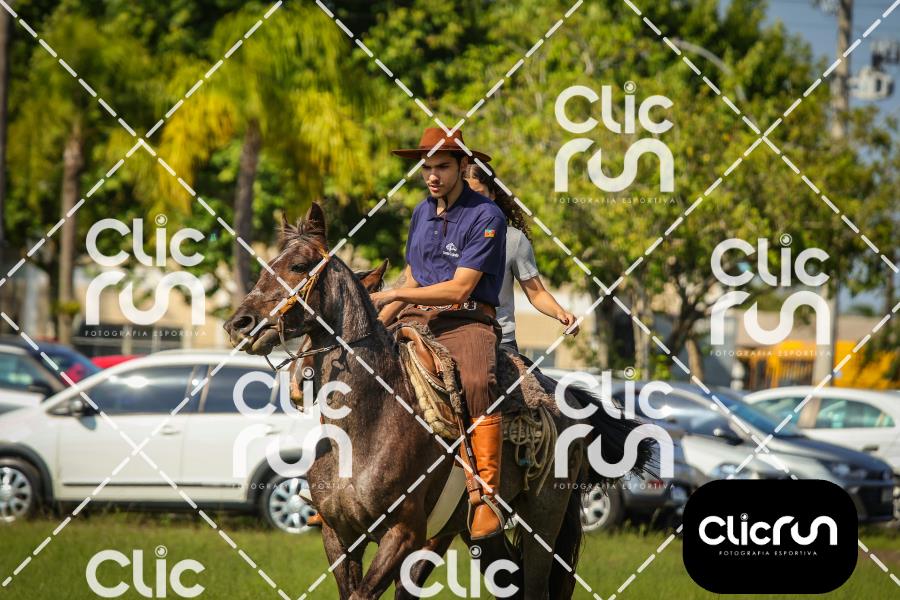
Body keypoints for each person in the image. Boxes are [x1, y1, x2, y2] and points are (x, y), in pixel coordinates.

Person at [371, 127, 507, 540]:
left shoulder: (487, 215)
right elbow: (415, 273)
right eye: (426, 167)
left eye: (442, 167)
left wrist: (393, 294)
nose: (432, 176)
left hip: (466, 319)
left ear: (464, 166)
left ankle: (485, 498)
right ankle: (340, 487)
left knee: (477, 381)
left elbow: (460, 288)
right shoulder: (421, 212)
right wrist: (379, 322)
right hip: (416, 315)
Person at [463, 163, 579, 354]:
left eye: (479, 195)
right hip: (452, 336)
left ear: (493, 195)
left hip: (499, 341)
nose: (472, 203)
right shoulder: (441, 234)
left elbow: (537, 293)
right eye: (465, 196)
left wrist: (560, 312)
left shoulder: (513, 239)